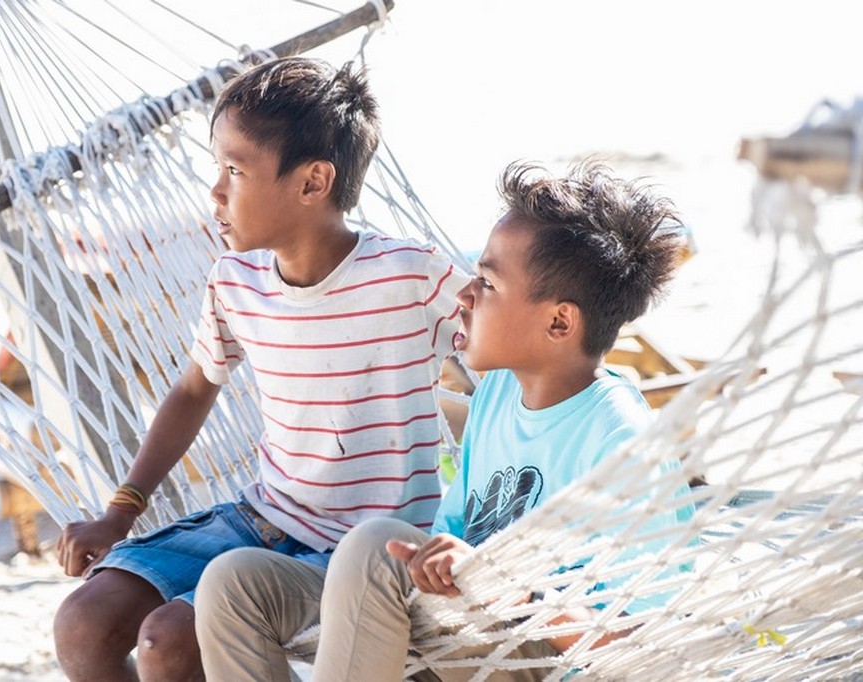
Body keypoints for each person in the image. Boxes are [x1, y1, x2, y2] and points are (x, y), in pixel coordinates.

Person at [194, 160, 695, 681]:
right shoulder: (500, 393)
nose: (464, 296)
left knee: (373, 547)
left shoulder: (622, 441)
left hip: (542, 658)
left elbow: (643, 647)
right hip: (461, 636)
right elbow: (448, 540)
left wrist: (512, 586)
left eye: (487, 283)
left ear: (559, 322)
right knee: (237, 583)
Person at [52, 56, 468, 682]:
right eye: (216, 168)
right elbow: (194, 389)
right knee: (81, 623)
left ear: (312, 183)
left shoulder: (409, 276)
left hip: (371, 549)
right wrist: (121, 510)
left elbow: (507, 357)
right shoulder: (234, 282)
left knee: (167, 641)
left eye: (236, 171)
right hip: (265, 519)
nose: (216, 192)